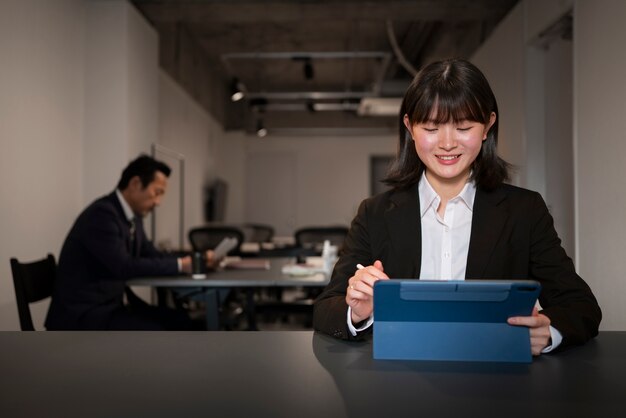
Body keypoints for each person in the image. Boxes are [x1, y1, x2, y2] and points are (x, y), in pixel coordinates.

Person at [313, 58, 601, 355]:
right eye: (431, 128)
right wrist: (357, 311)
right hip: (398, 380)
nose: (447, 144)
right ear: (410, 127)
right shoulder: (374, 214)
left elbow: (582, 307)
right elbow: (325, 309)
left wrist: (549, 331)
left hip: (496, 380)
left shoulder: (524, 211)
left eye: (463, 127)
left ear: (488, 126)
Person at [46, 155, 217, 330]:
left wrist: (195, 259)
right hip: (84, 315)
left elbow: (152, 253)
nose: (158, 202)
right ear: (135, 184)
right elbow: (124, 266)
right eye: (157, 192)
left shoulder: (131, 216)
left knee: (180, 319)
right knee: (165, 329)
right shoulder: (102, 215)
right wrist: (181, 265)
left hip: (108, 308)